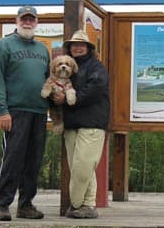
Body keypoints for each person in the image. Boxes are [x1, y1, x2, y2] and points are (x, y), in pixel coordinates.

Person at [0, 6, 50, 221]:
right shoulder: (5, 45)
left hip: (40, 112)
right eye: (24, 19)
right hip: (15, 112)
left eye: (31, 19)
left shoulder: (43, 49)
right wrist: (2, 111)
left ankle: (26, 205)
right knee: (12, 159)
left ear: (36, 23)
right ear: (17, 21)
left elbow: (49, 80)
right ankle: (2, 204)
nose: (27, 22)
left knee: (33, 160)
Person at [53, 30, 110, 219]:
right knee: (82, 168)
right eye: (74, 45)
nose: (77, 47)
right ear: (69, 48)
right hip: (71, 125)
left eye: (81, 44)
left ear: (88, 48)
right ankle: (88, 205)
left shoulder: (96, 67)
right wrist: (56, 99)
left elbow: (96, 88)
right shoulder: (66, 68)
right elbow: (54, 91)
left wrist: (71, 100)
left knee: (82, 166)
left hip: (92, 124)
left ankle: (75, 203)